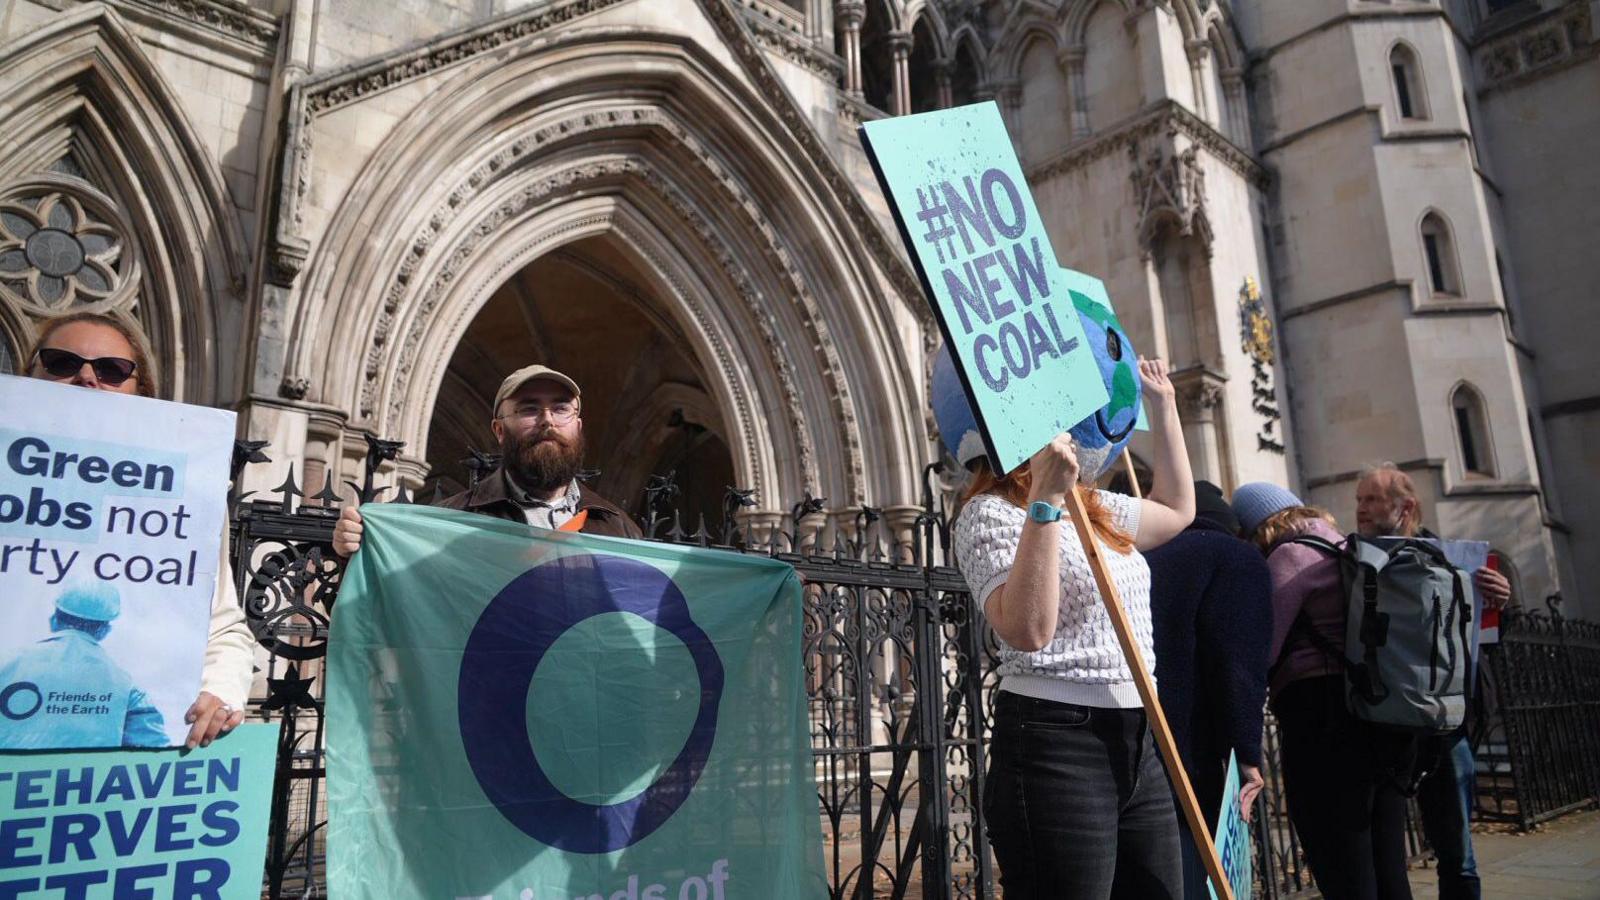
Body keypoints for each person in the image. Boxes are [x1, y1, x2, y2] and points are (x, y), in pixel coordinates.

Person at [954, 358, 1195, 900]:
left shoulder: (1096, 506)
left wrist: (1164, 405)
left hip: (1138, 730)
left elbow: (1177, 511)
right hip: (1057, 740)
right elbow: (1027, 629)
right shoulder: (988, 515)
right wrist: (1045, 502)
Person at [22, 311, 256, 749]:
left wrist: (219, 692)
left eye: (112, 370)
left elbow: (223, 627)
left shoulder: (186, 492)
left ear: (141, 392)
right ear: (28, 373)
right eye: (61, 363)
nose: (87, 378)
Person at [1234, 482, 1414, 900]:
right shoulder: (1349, 548)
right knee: (1388, 863)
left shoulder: (1290, 555)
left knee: (1342, 862)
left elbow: (1262, 647)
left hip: (1322, 718)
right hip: (1381, 713)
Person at [1355, 464, 1511, 900]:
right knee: (1385, 852)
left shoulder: (1452, 559)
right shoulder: (1355, 559)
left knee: (1456, 851)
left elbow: (1479, 641)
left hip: (1444, 726)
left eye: (1372, 499)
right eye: (1359, 499)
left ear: (1404, 507)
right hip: (1381, 722)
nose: (1361, 509)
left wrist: (1497, 602)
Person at [333, 364, 641, 557]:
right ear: (499, 430)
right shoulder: (449, 521)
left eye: (561, 409)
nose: (548, 421)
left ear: (578, 426)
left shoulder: (617, 527)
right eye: (529, 409)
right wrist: (355, 556)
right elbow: (387, 613)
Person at [1145, 480, 1272, 900]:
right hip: (1194, 747)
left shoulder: (1142, 557)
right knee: (1195, 871)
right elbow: (1238, 663)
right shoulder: (1234, 557)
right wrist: (1247, 754)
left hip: (1136, 739)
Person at [0, 583, 167, 748]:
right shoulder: (126, 687)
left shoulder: (7, 662)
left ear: (54, 620)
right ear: (104, 631)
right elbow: (154, 754)